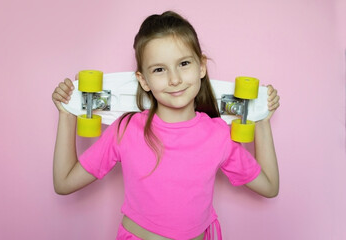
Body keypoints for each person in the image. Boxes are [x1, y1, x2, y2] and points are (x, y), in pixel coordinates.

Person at [52, 11, 280, 240]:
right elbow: (64, 182)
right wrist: (66, 114)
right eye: (159, 69)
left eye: (184, 63)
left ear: (201, 67)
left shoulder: (218, 135)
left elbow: (269, 187)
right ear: (143, 80)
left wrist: (262, 119)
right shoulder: (126, 130)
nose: (174, 79)